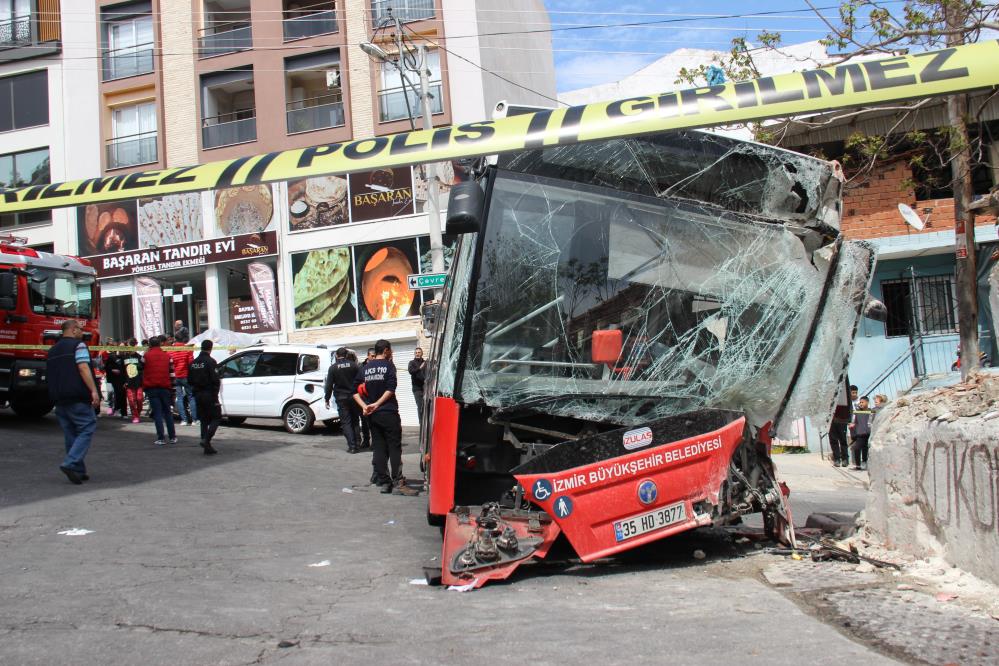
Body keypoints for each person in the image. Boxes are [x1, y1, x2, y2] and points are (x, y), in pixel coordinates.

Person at [354, 339, 418, 496]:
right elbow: (390, 389)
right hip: (388, 412)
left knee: (379, 448)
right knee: (394, 447)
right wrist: (377, 404)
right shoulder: (389, 366)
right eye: (391, 350)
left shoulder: (366, 367)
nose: (392, 353)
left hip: (373, 416)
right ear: (386, 350)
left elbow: (354, 391)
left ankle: (384, 482)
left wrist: (365, 406)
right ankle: (398, 481)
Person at [47, 320, 100, 484]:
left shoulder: (52, 350)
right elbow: (83, 368)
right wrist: (93, 390)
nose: (82, 332)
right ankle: (70, 463)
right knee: (87, 427)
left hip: (59, 398)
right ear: (73, 329)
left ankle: (78, 470)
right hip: (77, 396)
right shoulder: (79, 346)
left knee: (71, 432)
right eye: (81, 329)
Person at [187, 340, 221, 455]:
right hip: (209, 394)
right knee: (216, 417)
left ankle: (206, 445)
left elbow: (189, 380)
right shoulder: (211, 362)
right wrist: (215, 397)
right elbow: (215, 380)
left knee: (204, 420)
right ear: (210, 348)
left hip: (197, 394)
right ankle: (206, 439)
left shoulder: (193, 363)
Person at [142, 336, 177, 446]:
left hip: (151, 387)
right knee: (168, 412)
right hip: (165, 387)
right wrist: (173, 388)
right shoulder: (167, 356)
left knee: (157, 413)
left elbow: (140, 367)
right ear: (160, 344)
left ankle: (161, 438)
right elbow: (172, 374)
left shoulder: (146, 356)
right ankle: (172, 437)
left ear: (150, 345)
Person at [325, 347, 361, 453]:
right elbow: (360, 380)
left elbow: (329, 385)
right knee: (355, 420)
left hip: (341, 398)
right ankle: (358, 443)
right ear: (346, 355)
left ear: (336, 355)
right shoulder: (354, 365)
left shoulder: (333, 368)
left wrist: (327, 398)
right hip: (354, 397)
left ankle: (352, 446)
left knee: (346, 422)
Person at [168, 337, 197, 426]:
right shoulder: (187, 349)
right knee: (191, 397)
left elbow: (170, 363)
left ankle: (183, 420)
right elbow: (191, 363)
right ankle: (194, 420)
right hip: (186, 376)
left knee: (179, 398)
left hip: (176, 377)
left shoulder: (170, 351)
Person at [828, 379, 852, 468]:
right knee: (833, 440)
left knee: (843, 440)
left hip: (841, 419)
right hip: (831, 421)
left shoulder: (842, 394)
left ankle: (845, 459)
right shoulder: (828, 396)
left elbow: (847, 404)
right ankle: (837, 459)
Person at [357, 347, 376, 449]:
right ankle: (366, 440)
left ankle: (375, 442)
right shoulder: (361, 366)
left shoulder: (377, 366)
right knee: (364, 421)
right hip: (363, 397)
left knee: (373, 421)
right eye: (372, 356)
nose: (374, 358)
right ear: (368, 356)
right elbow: (357, 381)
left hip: (374, 397)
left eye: (375, 356)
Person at [122, 339, 144, 423]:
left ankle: (137, 413)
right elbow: (122, 371)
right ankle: (135, 416)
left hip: (138, 382)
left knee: (139, 399)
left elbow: (144, 366)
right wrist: (124, 381)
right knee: (131, 400)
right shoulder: (124, 357)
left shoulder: (139, 357)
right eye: (128, 346)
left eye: (132, 345)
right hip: (128, 382)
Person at [849, 395, 873, 471]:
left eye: (862, 402)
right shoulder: (857, 412)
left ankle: (864, 462)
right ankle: (858, 465)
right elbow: (854, 421)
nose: (861, 403)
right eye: (860, 402)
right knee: (857, 448)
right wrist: (852, 425)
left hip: (868, 434)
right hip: (860, 434)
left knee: (865, 448)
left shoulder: (871, 411)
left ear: (867, 402)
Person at [106, 341, 128, 418]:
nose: (122, 349)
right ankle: (117, 409)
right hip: (115, 379)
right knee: (117, 393)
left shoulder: (127, 357)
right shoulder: (112, 356)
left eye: (124, 347)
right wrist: (112, 370)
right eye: (121, 347)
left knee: (123, 394)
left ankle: (124, 413)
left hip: (124, 378)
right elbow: (107, 367)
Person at [408, 347, 426, 426]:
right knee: (420, 406)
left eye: (419, 352)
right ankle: (422, 424)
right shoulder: (412, 363)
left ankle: (427, 424)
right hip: (417, 389)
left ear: (422, 353)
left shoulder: (425, 362)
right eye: (416, 352)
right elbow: (411, 371)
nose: (417, 354)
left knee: (427, 406)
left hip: (426, 388)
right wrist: (420, 368)